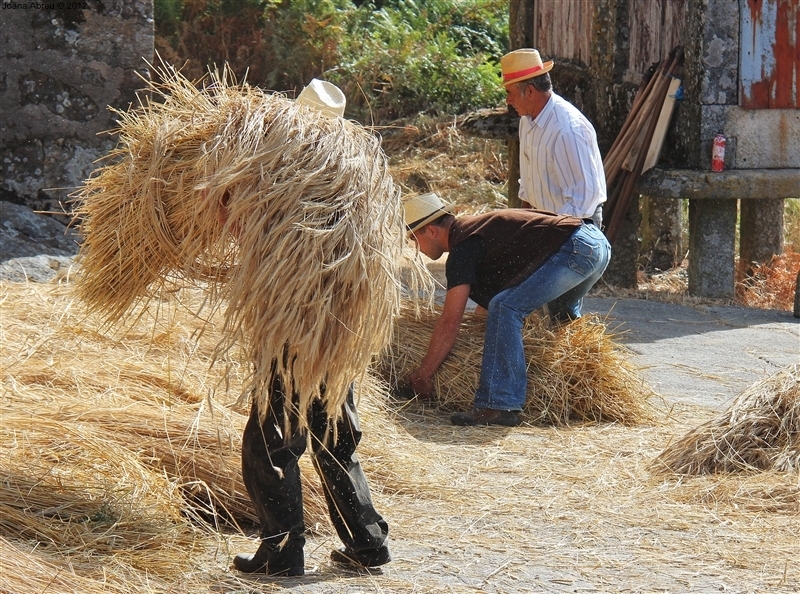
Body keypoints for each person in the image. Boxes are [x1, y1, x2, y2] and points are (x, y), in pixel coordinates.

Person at [231, 79, 391, 576]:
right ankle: (367, 543)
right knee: (334, 432)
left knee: (270, 440)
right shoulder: (360, 168)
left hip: (293, 320)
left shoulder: (287, 164)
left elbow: (244, 223)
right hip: (341, 320)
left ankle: (282, 553)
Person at [403, 192, 611, 427]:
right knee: (560, 318)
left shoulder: (463, 247)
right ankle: (581, 387)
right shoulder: (476, 231)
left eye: (414, 239)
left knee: (506, 307)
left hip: (575, 248)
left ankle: (497, 404)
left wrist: (424, 374)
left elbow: (450, 321)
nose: (416, 248)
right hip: (595, 243)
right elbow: (487, 305)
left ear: (431, 231)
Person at [501, 48, 606, 228]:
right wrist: (524, 225)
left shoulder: (568, 130)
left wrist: (549, 233)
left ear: (530, 91)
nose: (508, 101)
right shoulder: (526, 120)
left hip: (575, 226)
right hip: (547, 223)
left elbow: (582, 201)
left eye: (509, 92)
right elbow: (529, 183)